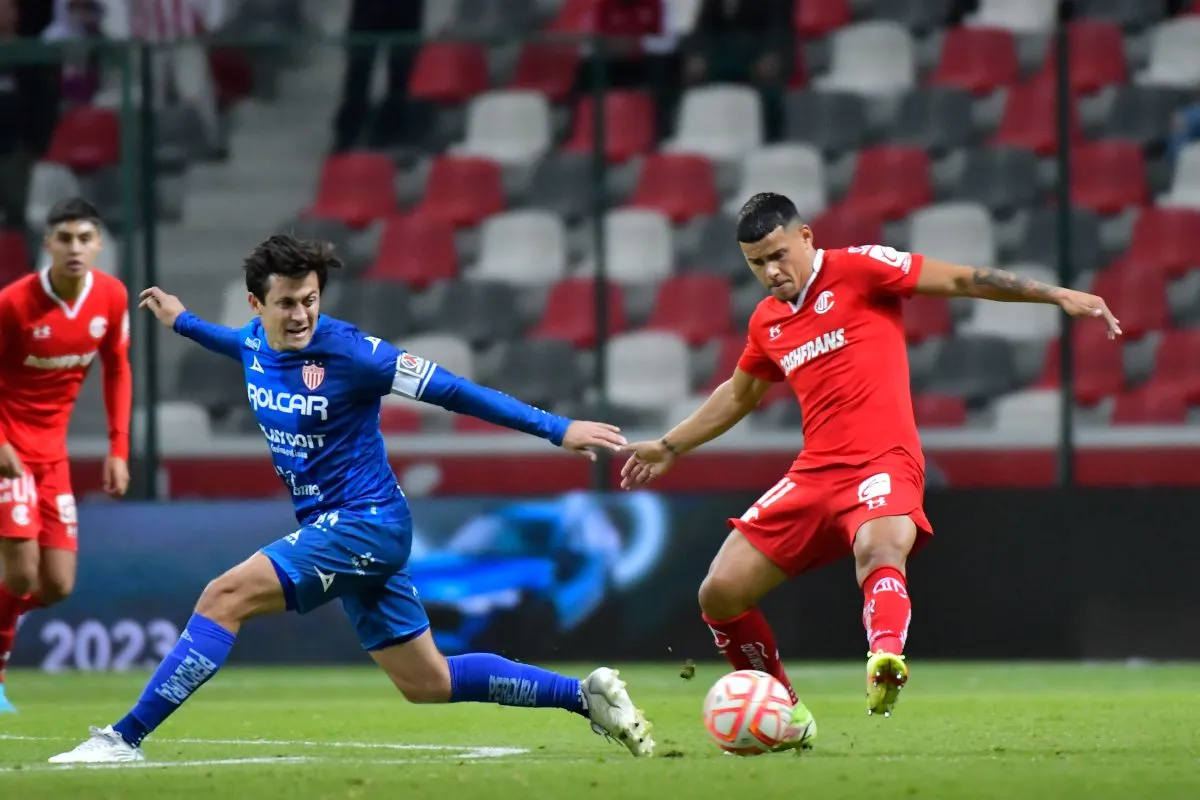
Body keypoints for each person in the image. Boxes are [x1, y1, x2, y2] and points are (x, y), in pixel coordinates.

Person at [48, 234, 655, 764]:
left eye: (309, 300)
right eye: (285, 303)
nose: (300, 315)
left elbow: (454, 390)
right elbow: (231, 342)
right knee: (426, 681)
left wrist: (557, 428)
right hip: (342, 530)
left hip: (367, 522)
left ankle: (121, 739)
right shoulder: (254, 342)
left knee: (223, 597)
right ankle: (585, 697)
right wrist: (182, 320)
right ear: (257, 305)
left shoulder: (355, 353)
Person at [619, 192, 1121, 744]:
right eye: (757, 263)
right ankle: (785, 712)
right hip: (814, 475)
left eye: (778, 254)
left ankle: (884, 658)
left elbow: (963, 281)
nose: (771, 271)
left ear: (806, 237)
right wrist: (671, 445)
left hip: (885, 460)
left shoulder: (861, 269)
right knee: (719, 592)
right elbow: (739, 394)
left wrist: (1055, 296)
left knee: (879, 548)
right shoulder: (768, 321)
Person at [0, 197, 132, 713]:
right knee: (20, 573)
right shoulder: (14, 304)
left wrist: (118, 448)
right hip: (8, 453)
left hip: (52, 458)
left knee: (56, 586)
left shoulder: (110, 298)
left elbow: (118, 369)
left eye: (84, 238)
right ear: (47, 244)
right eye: (64, 238)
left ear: (98, 244)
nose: (75, 248)